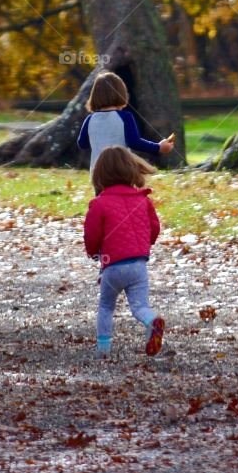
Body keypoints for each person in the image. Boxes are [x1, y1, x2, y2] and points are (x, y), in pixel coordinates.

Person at [83, 145, 165, 358]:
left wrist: (93, 252)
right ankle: (151, 320)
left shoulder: (99, 204)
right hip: (138, 265)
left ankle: (103, 350)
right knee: (139, 307)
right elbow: (154, 228)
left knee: (106, 307)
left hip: (113, 267)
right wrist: (144, 245)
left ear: (99, 174)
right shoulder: (143, 200)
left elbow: (92, 235)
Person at [77, 70, 175, 175]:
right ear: (121, 93)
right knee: (124, 190)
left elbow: (82, 144)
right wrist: (158, 147)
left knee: (102, 192)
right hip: (121, 171)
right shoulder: (125, 117)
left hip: (97, 173)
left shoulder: (90, 119)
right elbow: (134, 142)